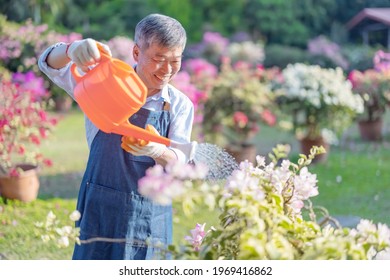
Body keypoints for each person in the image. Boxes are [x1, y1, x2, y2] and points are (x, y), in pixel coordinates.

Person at [38, 13, 194, 260]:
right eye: (158, 59)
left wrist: (156, 150)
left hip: (151, 213)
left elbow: (180, 161)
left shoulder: (179, 105)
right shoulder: (102, 82)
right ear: (135, 53)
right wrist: (71, 50)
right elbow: (47, 64)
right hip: (101, 204)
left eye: (175, 61)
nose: (167, 70)